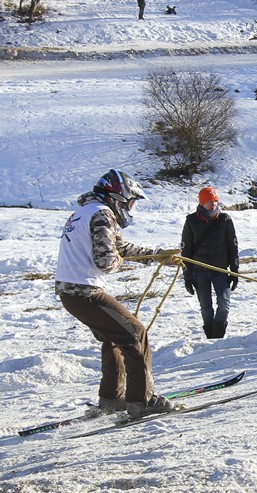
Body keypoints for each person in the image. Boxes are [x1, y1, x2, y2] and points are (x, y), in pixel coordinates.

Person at [55, 169, 181, 419]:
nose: (131, 208)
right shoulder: (102, 214)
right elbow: (107, 260)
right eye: (130, 202)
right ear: (117, 198)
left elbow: (118, 245)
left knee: (113, 337)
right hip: (85, 291)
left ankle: (112, 398)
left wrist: (157, 255)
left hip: (72, 291)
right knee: (135, 333)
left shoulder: (83, 212)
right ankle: (142, 400)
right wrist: (118, 262)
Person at [180, 187, 240, 339]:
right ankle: (211, 337)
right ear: (202, 203)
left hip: (220, 270)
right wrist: (187, 276)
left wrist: (235, 271)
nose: (212, 205)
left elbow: (233, 246)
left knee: (224, 305)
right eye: (208, 202)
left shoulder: (225, 219)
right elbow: (186, 251)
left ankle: (218, 333)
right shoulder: (191, 221)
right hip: (199, 271)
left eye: (214, 201)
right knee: (206, 308)